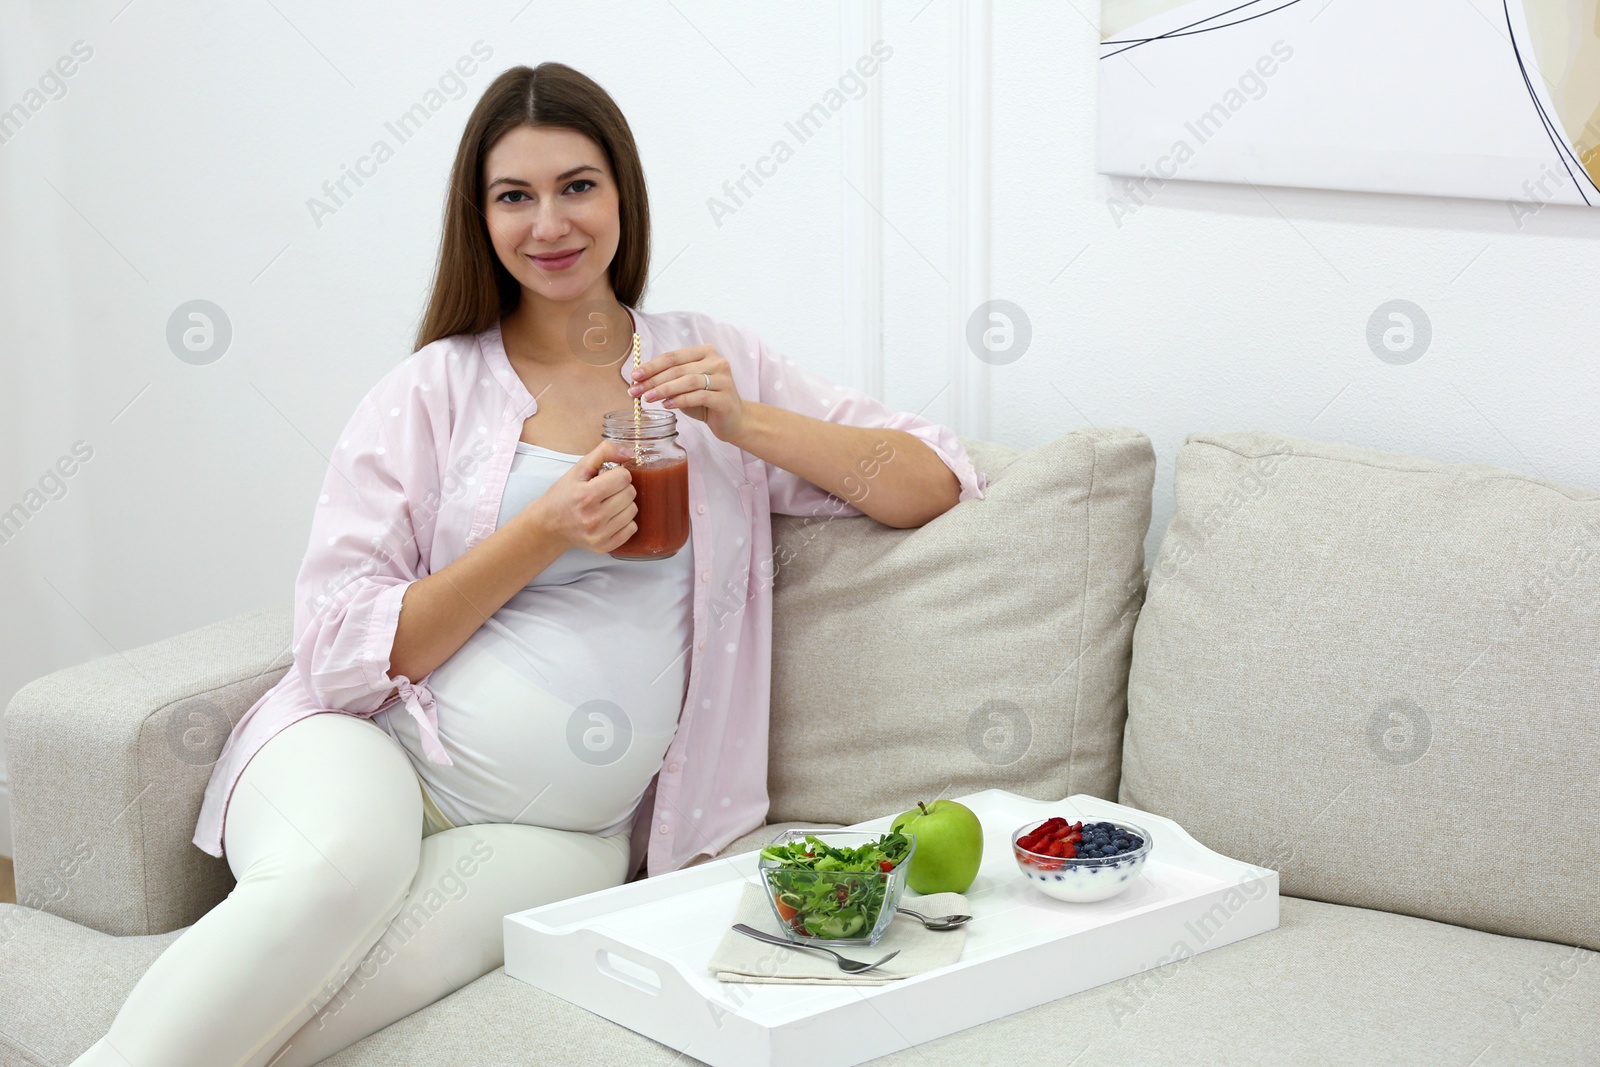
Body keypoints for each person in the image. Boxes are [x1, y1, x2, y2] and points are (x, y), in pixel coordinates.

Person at [71, 61, 986, 1067]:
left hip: (569, 837)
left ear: (623, 195)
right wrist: (541, 529)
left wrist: (741, 417)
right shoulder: (431, 389)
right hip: (376, 751)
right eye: (515, 195)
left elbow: (927, 480)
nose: (550, 222)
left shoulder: (707, 361)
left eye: (577, 185)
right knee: (338, 880)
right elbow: (336, 652)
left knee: (328, 1004)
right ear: (483, 218)